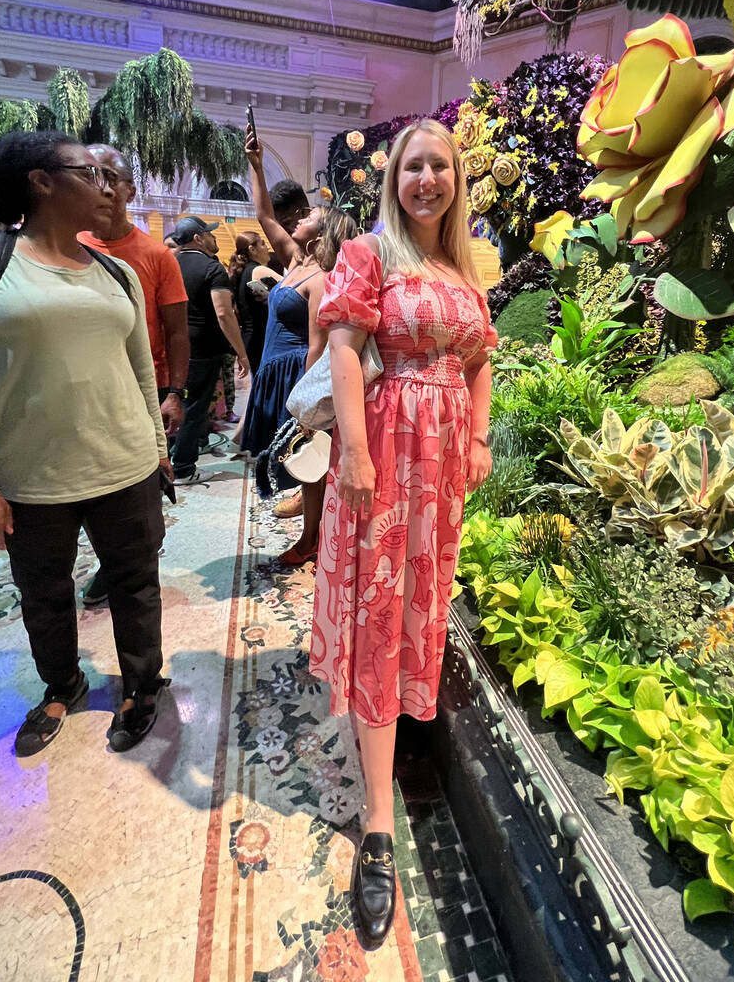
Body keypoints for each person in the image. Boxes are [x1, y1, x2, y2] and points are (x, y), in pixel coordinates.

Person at [309, 119, 496, 946]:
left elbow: (481, 356)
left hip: (444, 465)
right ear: (394, 179)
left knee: (419, 607)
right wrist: (352, 451)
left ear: (457, 180)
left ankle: (399, 737)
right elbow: (345, 350)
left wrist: (483, 434)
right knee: (382, 620)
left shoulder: (465, 268)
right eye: (414, 166)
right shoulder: (369, 256)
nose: (427, 179)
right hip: (384, 460)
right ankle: (378, 825)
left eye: (440, 167)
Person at [0, 131, 172, 756]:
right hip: (30, 476)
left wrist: (157, 447)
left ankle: (142, 685)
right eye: (91, 175)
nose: (109, 189)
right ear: (41, 180)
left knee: (136, 582)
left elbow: (139, 369)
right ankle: (62, 683)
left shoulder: (117, 272)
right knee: (43, 592)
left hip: (126, 466)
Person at [77, 144, 190, 607]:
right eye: (89, 174)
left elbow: (177, 330)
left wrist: (175, 393)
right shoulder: (71, 245)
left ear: (129, 188)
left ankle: (126, 563)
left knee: (144, 490)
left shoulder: (155, 254)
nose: (100, 186)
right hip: (83, 391)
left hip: (144, 390)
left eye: (109, 175)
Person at [242, 133, 357, 562]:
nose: (301, 217)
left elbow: (317, 346)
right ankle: (311, 524)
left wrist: (309, 406)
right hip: (274, 368)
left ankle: (312, 539)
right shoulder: (294, 259)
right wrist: (256, 164)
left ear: (323, 230)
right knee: (294, 459)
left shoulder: (323, 275)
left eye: (311, 215)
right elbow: (264, 215)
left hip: (297, 372)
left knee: (311, 460)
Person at [171, 215, 250, 483]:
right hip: (202, 349)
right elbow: (224, 314)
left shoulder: (170, 263)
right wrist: (241, 352)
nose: (214, 238)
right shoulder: (212, 268)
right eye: (210, 234)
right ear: (198, 238)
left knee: (173, 402)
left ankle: (170, 458)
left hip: (172, 346)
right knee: (194, 408)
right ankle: (183, 468)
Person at [228, 231, 281, 373]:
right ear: (252, 249)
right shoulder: (258, 270)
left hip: (253, 339)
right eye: (263, 243)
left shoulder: (245, 271)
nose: (267, 247)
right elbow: (295, 286)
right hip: (261, 339)